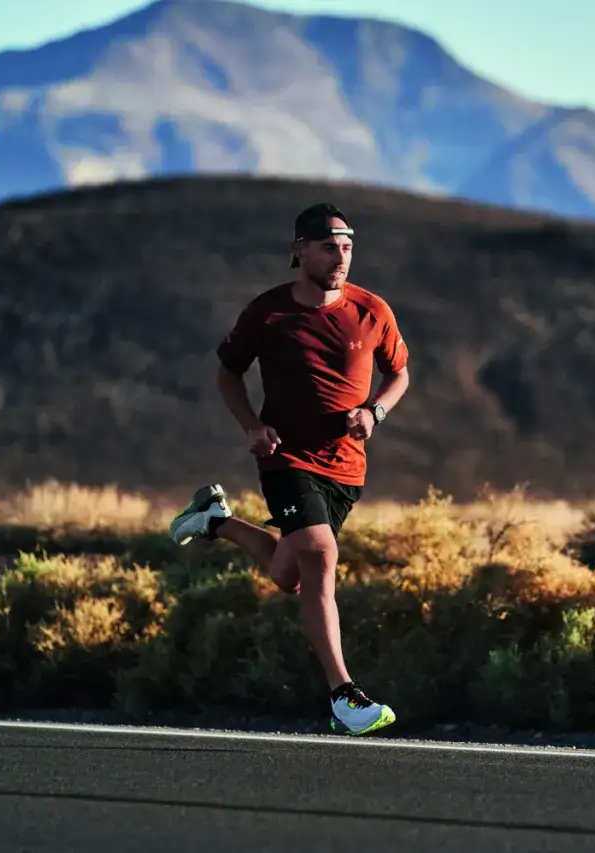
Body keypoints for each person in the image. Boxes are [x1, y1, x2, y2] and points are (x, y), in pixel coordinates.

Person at [168, 202, 410, 737]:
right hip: (286, 458)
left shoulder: (372, 311)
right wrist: (252, 426)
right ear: (299, 250)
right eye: (328, 247)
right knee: (322, 555)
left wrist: (376, 411)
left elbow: (401, 374)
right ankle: (344, 695)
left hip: (346, 467)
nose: (340, 257)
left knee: (289, 574)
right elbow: (227, 375)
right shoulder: (268, 313)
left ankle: (214, 520)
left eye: (347, 247)